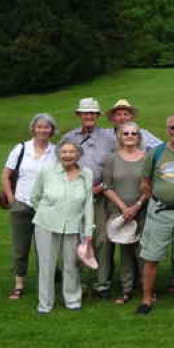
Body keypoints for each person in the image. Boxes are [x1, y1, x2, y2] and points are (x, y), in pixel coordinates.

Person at [135, 114, 174, 314]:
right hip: (160, 212)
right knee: (151, 256)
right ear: (167, 130)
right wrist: (154, 197)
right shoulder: (156, 152)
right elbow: (144, 181)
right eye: (173, 128)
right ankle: (147, 298)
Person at [30, 139, 94, 314]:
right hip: (46, 225)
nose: (68, 155)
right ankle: (45, 304)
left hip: (73, 225)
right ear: (58, 154)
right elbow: (34, 197)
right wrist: (47, 212)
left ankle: (73, 301)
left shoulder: (86, 173)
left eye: (72, 152)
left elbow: (88, 203)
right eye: (64, 152)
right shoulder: (47, 171)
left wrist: (88, 230)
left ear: (78, 154)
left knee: (71, 265)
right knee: (46, 265)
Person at [62, 97, 117, 300]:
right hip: (75, 197)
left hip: (101, 196)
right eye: (85, 113)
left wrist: (102, 186)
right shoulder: (69, 138)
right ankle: (79, 281)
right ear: (79, 115)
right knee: (77, 239)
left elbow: (115, 164)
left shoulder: (109, 138)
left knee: (102, 239)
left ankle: (101, 283)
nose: (89, 116)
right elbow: (61, 165)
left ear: (98, 116)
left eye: (93, 113)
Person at [0, 113, 58, 300]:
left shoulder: (56, 152)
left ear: (52, 130)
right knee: (20, 247)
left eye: (46, 127)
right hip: (22, 203)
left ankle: (46, 283)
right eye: (39, 126)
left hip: (46, 207)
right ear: (33, 128)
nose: (43, 130)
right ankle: (19, 284)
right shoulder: (21, 149)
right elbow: (5, 175)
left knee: (45, 248)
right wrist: (11, 199)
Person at [101, 121, 149, 305]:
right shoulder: (111, 159)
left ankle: (147, 289)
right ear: (119, 136)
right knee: (126, 252)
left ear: (139, 137)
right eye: (126, 133)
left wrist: (137, 206)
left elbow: (150, 186)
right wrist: (123, 208)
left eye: (134, 133)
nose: (130, 136)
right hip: (120, 213)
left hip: (142, 210)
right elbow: (107, 186)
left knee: (144, 252)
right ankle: (127, 289)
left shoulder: (146, 158)